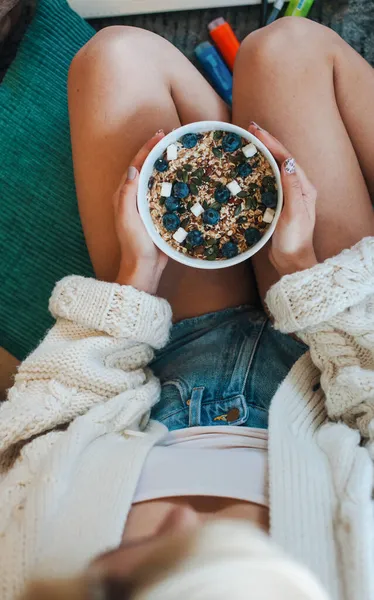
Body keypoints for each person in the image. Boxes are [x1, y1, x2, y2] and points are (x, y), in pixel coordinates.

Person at [1, 16, 374, 600]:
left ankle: (241, 124)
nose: (179, 517)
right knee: (285, 51)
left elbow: (36, 427)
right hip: (337, 365)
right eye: (215, 544)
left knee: (116, 59)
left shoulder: (28, 575)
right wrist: (304, 271)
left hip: (173, 348)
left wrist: (134, 283)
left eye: (121, 567)